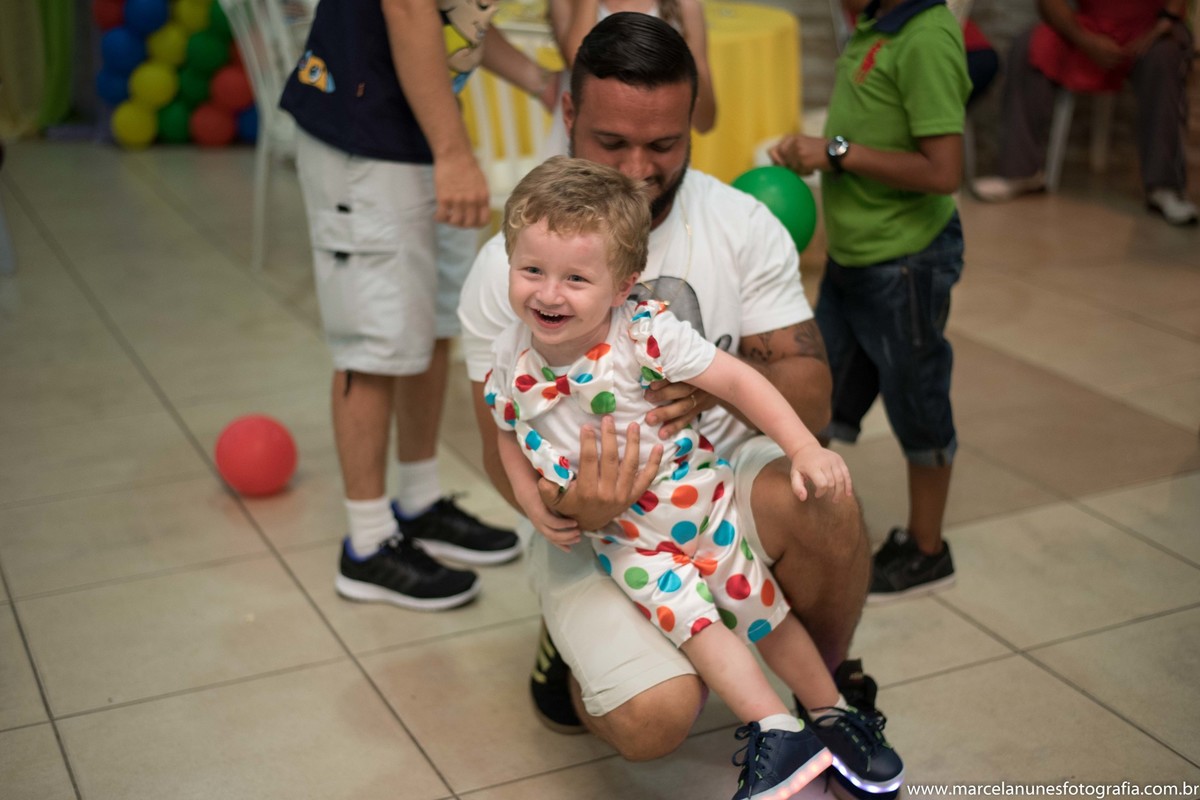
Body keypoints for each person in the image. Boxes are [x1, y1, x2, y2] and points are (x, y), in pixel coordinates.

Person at [459, 13, 900, 799]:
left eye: (662, 146)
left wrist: (702, 385)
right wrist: (559, 507)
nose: (636, 170)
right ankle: (576, 642)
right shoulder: (510, 265)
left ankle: (823, 701)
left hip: (711, 486)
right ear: (567, 113)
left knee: (828, 499)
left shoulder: (738, 226)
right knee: (657, 718)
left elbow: (806, 383)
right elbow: (495, 432)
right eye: (610, 142)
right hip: (599, 528)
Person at [279, 0, 561, 610]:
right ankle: (368, 544)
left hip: (418, 126)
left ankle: (418, 499)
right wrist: (453, 152)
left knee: (432, 323)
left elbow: (459, 19)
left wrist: (540, 80)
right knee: (375, 344)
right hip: (364, 133)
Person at [769, 0, 970, 604]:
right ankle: (793, 528)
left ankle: (928, 551)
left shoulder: (926, 37)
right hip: (853, 259)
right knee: (815, 394)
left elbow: (943, 171)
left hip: (904, 262)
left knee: (917, 400)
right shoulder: (872, 23)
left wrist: (834, 152)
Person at [971, 0, 1197, 226]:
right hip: (1089, 27)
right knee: (1029, 45)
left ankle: (1165, 187)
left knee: (1166, 56)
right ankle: (1020, 172)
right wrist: (1085, 39)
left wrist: (1167, 21)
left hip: (1154, 27)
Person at [540, 0, 716, 157]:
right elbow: (578, 60)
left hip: (652, 156)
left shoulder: (684, 6)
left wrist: (679, 61)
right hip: (582, 152)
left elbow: (706, 121)